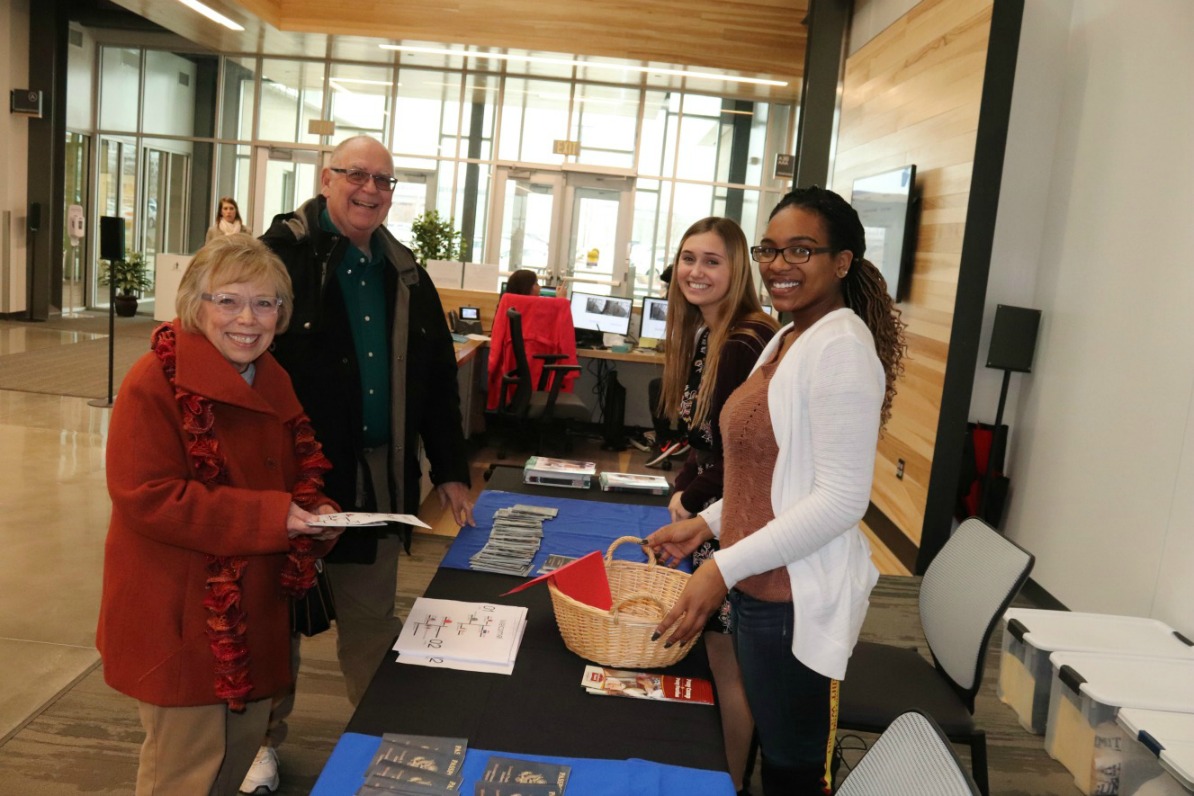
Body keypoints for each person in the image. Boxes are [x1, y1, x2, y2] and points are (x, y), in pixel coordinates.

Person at [645, 186, 907, 795]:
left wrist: (721, 568)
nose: (778, 264)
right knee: (776, 749)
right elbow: (766, 473)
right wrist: (707, 524)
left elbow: (841, 500)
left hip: (793, 597)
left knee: (793, 769)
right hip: (761, 585)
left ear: (842, 262)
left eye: (802, 250)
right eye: (770, 249)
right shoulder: (790, 336)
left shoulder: (840, 347)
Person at [256, 135, 475, 792]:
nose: (372, 190)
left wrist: (452, 471)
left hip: (375, 487)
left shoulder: (403, 272)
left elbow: (437, 381)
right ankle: (261, 745)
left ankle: (381, 742)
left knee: (370, 621)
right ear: (327, 178)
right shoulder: (277, 259)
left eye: (385, 181)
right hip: (289, 487)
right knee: (274, 623)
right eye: (358, 175)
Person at [96, 234, 343, 796]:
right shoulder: (154, 383)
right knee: (184, 774)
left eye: (265, 303)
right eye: (228, 300)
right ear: (194, 304)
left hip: (254, 609)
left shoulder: (270, 378)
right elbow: (149, 497)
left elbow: (288, 477)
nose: (247, 319)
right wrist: (278, 516)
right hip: (183, 616)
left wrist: (316, 513)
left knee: (234, 760)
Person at [654, 217, 778, 794]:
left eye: (711, 261)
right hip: (715, 510)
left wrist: (694, 499)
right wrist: (684, 486)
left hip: (740, 519)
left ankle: (730, 783)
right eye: (687, 258)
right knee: (718, 655)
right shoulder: (707, 333)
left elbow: (748, 455)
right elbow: (702, 439)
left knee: (730, 666)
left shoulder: (742, 341)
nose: (695, 272)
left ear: (738, 271)